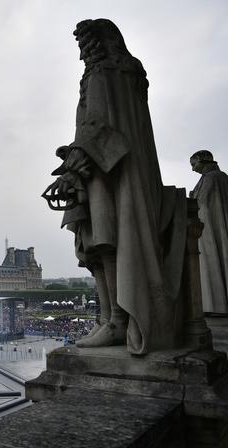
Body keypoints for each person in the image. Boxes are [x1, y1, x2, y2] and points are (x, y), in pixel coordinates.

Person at [42, 19, 187, 355]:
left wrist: (72, 167)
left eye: (84, 44)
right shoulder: (129, 77)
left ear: (97, 43)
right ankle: (110, 318)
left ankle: (116, 320)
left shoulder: (101, 75)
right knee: (103, 240)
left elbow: (96, 128)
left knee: (103, 241)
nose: (81, 52)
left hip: (105, 171)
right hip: (125, 169)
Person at [190, 150, 228, 315]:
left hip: (209, 229)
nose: (192, 169)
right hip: (214, 227)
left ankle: (216, 305)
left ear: (201, 159)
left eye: (193, 164)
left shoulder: (211, 178)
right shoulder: (219, 177)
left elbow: (201, 203)